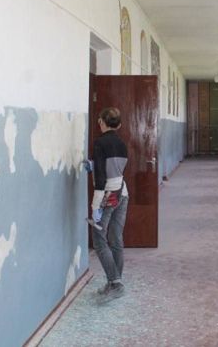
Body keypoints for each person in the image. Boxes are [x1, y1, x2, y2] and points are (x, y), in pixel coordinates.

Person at [90, 107, 129, 303]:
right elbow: (115, 169)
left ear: (101, 122)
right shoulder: (122, 144)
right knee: (115, 238)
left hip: (107, 195)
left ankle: (115, 283)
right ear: (119, 124)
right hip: (123, 193)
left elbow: (101, 178)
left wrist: (95, 206)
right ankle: (115, 282)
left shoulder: (100, 143)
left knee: (99, 239)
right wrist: (93, 165)